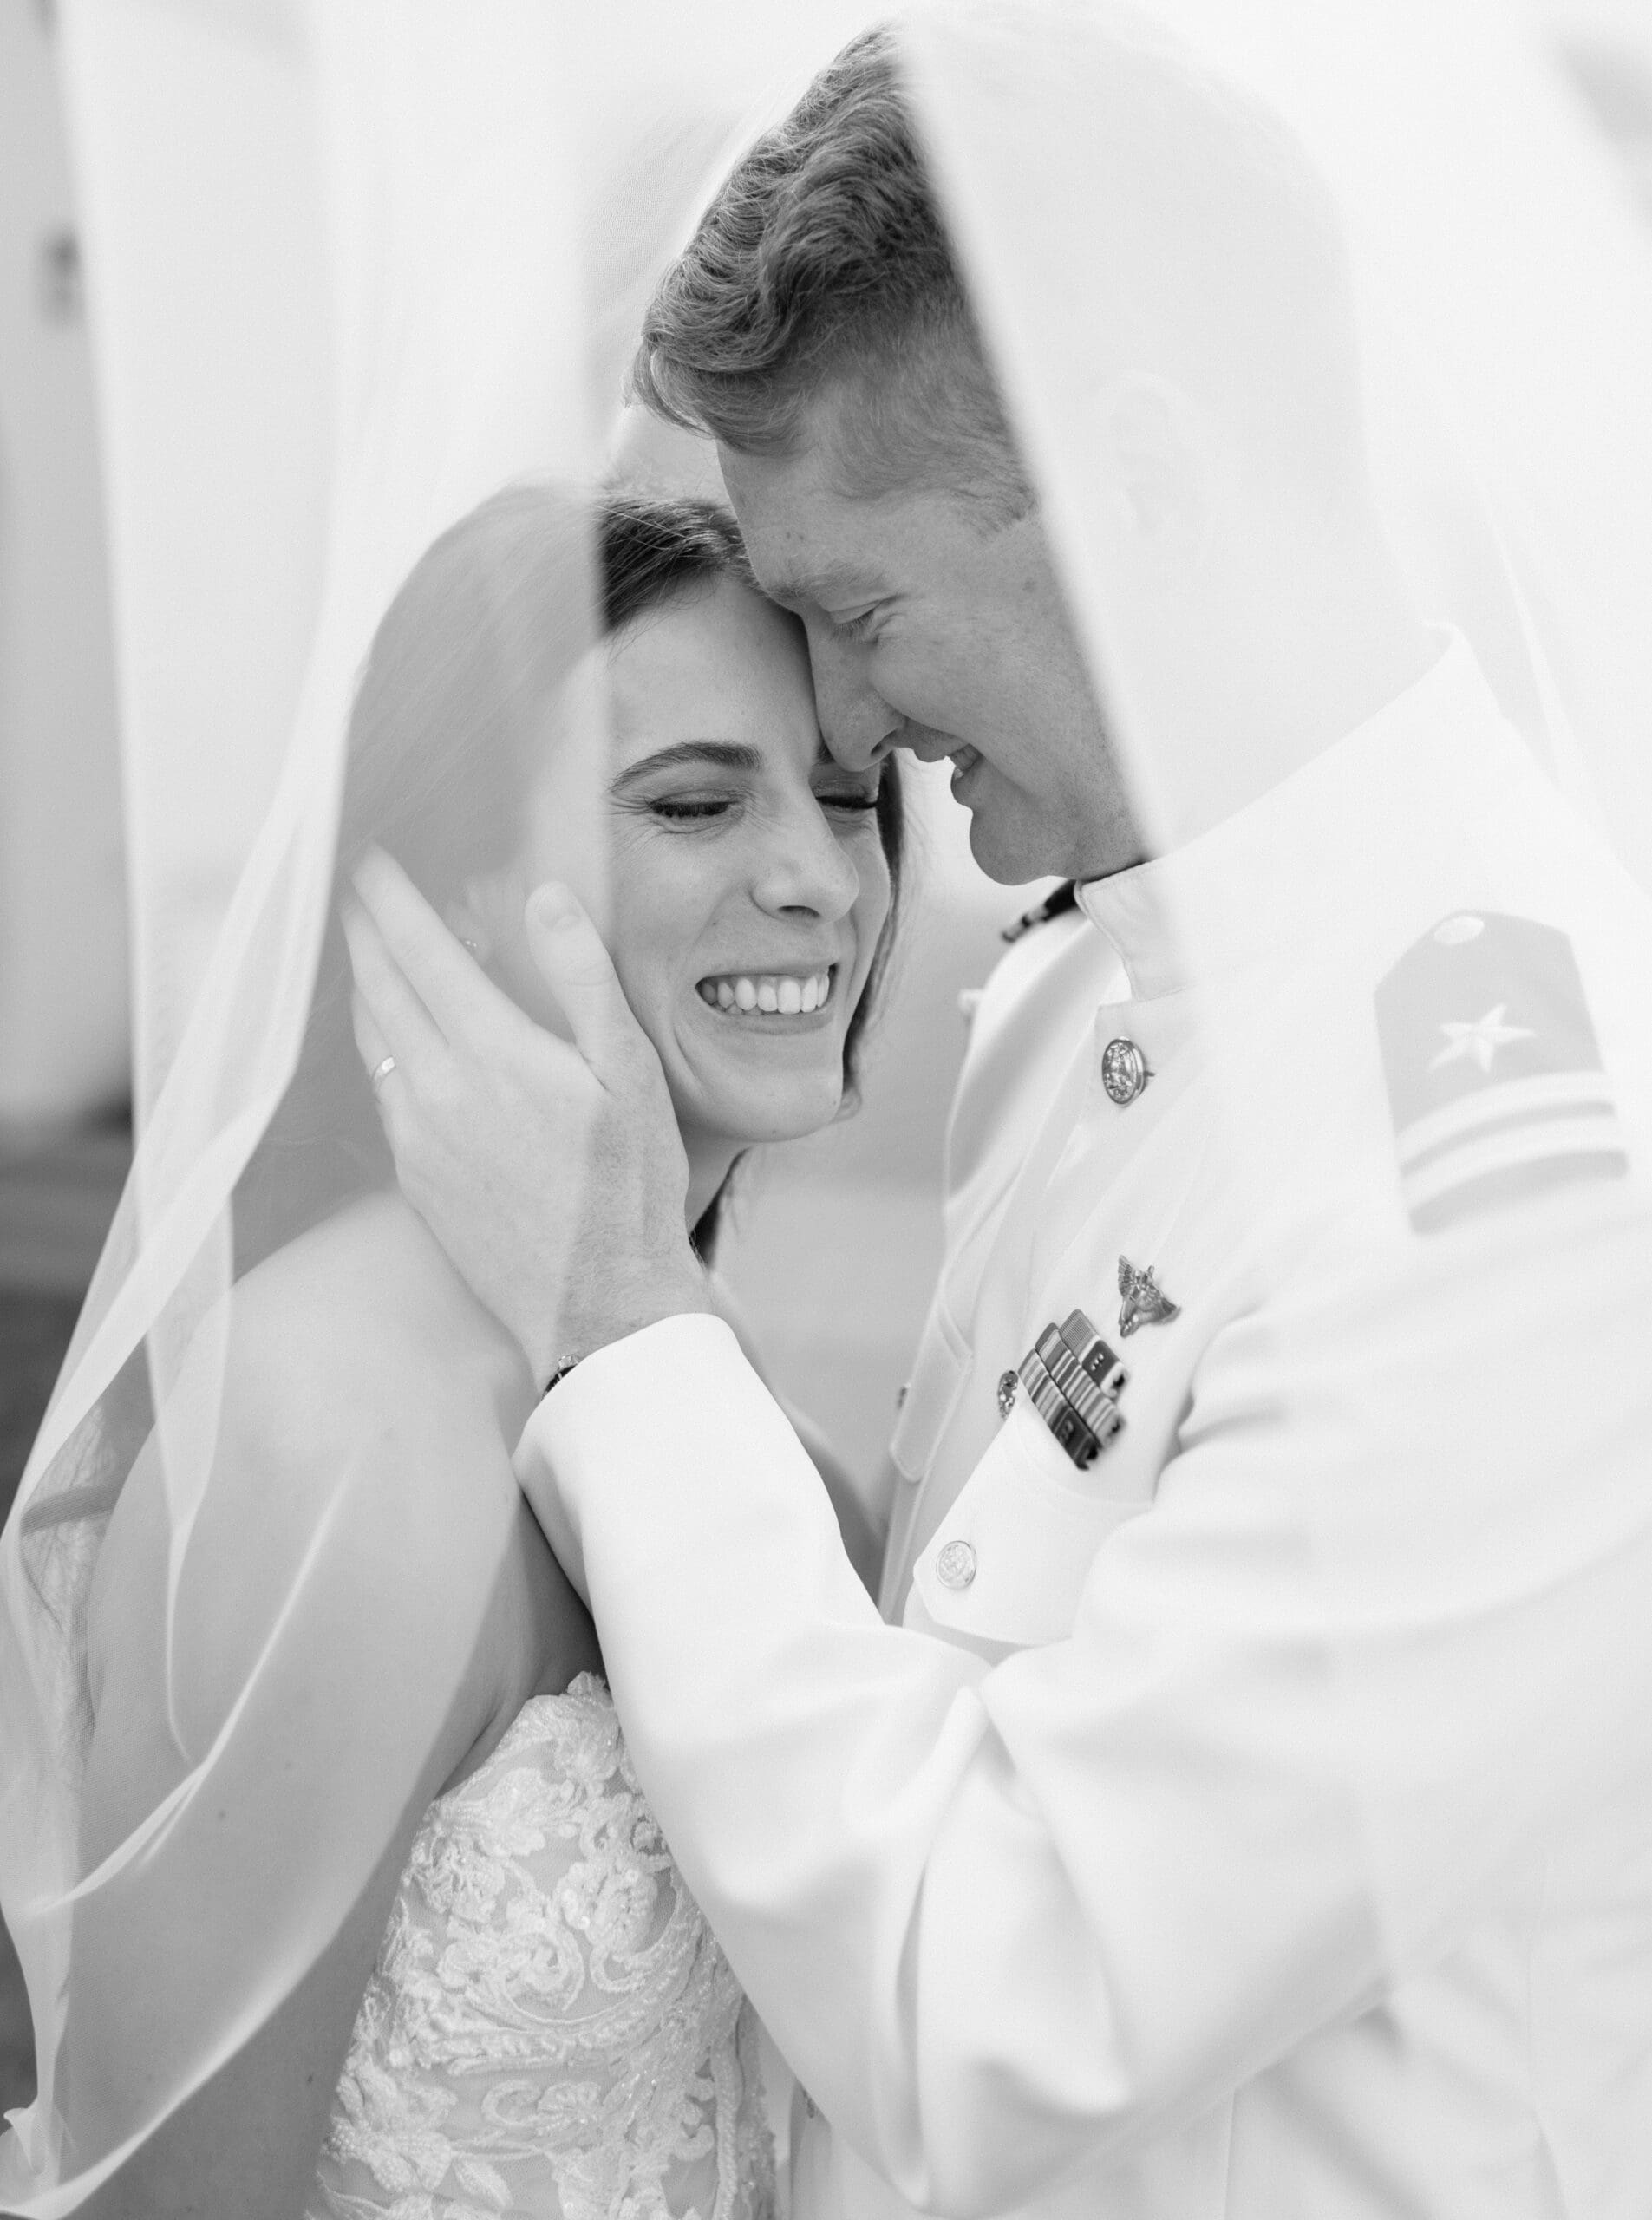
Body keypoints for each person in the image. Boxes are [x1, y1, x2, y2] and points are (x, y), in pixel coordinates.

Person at [345, 17, 1652, 2220]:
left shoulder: (1525, 1173)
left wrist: (620, 1319)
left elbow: (999, 2004)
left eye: (857, 610)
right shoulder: (1078, 987)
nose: (848, 724)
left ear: (1136, 482)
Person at [3, 486, 902, 2220]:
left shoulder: (772, 1463)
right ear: (456, 892)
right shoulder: (332, 1438)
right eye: (694, 801)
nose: (817, 877)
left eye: (850, 795)